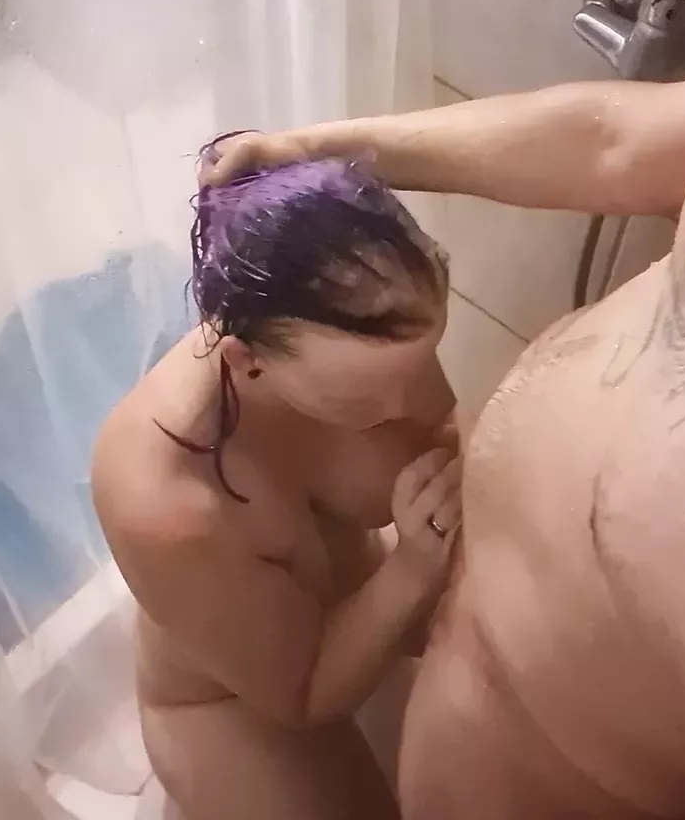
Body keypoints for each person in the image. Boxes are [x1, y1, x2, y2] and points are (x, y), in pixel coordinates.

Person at [204, 74, 685, 819]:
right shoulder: (178, 485)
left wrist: (411, 573)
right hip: (437, 674)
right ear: (247, 363)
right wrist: (318, 149)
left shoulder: (354, 365)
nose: (398, 410)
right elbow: (615, 139)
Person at [93, 154, 461, 820]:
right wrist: (412, 569)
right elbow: (303, 695)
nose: (416, 404)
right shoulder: (166, 497)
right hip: (237, 701)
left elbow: (455, 448)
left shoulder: (377, 330)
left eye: (421, 361)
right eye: (366, 396)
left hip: (364, 597)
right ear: (248, 363)